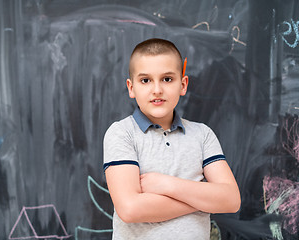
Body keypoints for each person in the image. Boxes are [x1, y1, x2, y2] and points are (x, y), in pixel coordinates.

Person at [103, 38, 241, 240]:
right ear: (131, 88)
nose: (157, 89)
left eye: (167, 79)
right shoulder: (122, 133)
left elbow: (231, 200)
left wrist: (166, 185)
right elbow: (130, 209)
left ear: (183, 85)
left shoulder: (202, 135)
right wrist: (203, 200)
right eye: (145, 80)